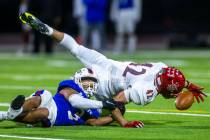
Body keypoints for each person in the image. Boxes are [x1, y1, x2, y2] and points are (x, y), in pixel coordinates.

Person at [19, 12, 206, 125]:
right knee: (116, 109)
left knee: (75, 47)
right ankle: (93, 121)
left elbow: (170, 76)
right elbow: (117, 100)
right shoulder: (148, 90)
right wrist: (124, 123)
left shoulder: (161, 68)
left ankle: (49, 30)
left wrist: (187, 84)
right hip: (99, 84)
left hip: (105, 63)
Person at [0, 79, 143, 128]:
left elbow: (93, 122)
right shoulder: (72, 87)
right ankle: (11, 113)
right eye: (87, 80)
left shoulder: (93, 111)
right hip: (51, 102)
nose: (89, 85)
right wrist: (104, 104)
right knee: (42, 98)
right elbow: (74, 100)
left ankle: (9, 114)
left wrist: (113, 118)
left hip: (54, 117)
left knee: (44, 113)